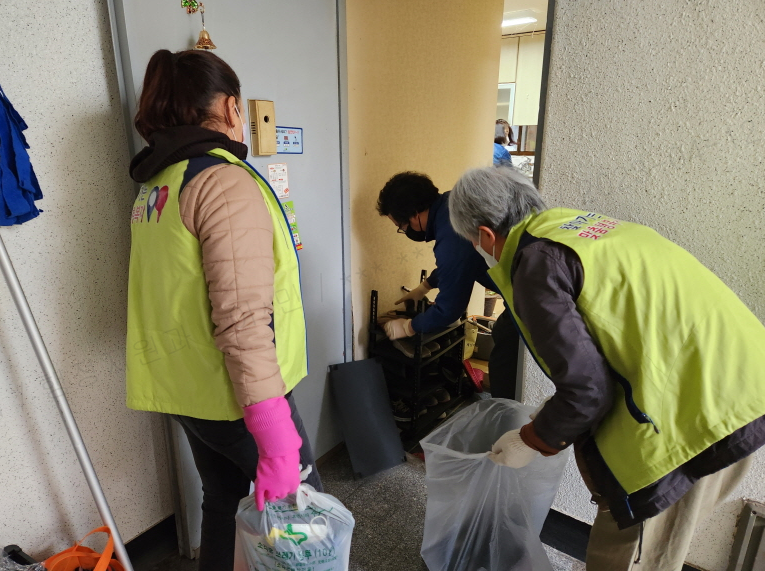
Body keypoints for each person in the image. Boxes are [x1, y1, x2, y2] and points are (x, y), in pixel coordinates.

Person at [448, 165, 765, 570]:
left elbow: (588, 391)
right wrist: (554, 414)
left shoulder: (535, 263)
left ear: (486, 235)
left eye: (473, 242)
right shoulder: (584, 230)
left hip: (692, 423)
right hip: (733, 390)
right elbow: (616, 346)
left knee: (623, 559)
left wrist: (530, 440)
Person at [126, 49, 321, 571]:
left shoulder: (157, 184)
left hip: (186, 389)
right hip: (239, 394)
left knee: (222, 501)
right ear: (233, 108)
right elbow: (242, 319)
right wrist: (277, 436)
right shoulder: (223, 181)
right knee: (306, 522)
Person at [376, 172, 521, 400]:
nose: (405, 232)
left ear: (415, 215)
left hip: (528, 292)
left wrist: (408, 327)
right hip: (526, 281)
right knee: (504, 333)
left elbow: (448, 310)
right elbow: (460, 264)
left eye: (401, 226)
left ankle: (506, 411)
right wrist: (426, 286)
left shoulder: (453, 231)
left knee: (506, 353)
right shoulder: (452, 203)